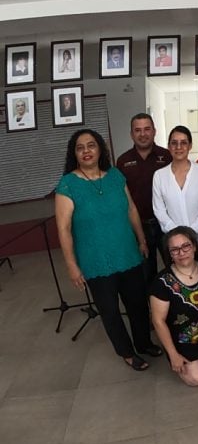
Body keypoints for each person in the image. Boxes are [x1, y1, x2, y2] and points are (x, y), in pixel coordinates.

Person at [55, 129, 162, 371]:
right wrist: (72, 266)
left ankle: (144, 343)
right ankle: (126, 352)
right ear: (74, 154)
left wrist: (142, 239)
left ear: (100, 148)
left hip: (127, 252)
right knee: (110, 309)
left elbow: (131, 209)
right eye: (80, 147)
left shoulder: (115, 175)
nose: (86, 151)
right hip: (95, 260)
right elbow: (63, 229)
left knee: (136, 303)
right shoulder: (68, 185)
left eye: (91, 145)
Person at [150, 227, 198, 386]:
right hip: (182, 341)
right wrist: (173, 354)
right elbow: (158, 321)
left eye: (186, 246)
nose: (181, 253)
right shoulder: (161, 282)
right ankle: (181, 357)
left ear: (194, 246)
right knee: (197, 378)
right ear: (170, 254)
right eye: (175, 249)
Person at [117, 113, 173, 283]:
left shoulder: (167, 156)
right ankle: (153, 306)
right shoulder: (123, 161)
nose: (143, 134)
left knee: (175, 266)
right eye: (138, 130)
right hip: (138, 227)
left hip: (166, 224)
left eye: (147, 129)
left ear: (154, 131)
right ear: (131, 134)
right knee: (145, 273)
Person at [152, 126, 198, 267]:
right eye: (174, 143)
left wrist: (192, 231)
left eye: (183, 142)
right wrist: (178, 235)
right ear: (169, 146)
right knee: (180, 281)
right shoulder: (159, 175)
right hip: (174, 244)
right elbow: (159, 210)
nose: (178, 147)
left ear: (190, 145)